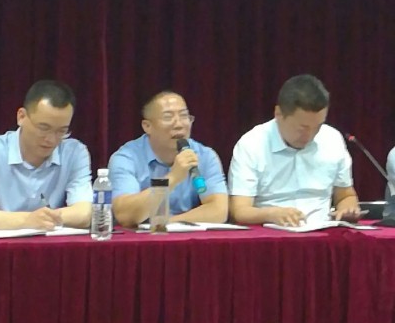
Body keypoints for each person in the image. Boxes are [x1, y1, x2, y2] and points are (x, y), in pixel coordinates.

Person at [229, 74, 361, 226]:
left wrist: (347, 208)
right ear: (278, 114)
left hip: (323, 232)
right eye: (302, 128)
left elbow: (345, 196)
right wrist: (271, 214)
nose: (310, 135)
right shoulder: (252, 144)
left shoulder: (332, 139)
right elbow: (239, 211)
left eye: (318, 127)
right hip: (272, 232)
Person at [109, 91, 228, 227]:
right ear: (147, 126)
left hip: (186, 235)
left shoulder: (205, 156)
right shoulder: (126, 158)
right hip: (140, 238)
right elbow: (125, 215)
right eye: (168, 117)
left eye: (184, 116)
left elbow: (218, 210)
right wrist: (173, 177)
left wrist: (166, 223)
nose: (179, 125)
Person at [0, 80, 93, 230]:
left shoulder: (74, 152)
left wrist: (44, 219)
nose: (51, 140)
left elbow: (84, 213)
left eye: (62, 131)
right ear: (21, 117)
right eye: (43, 128)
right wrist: (28, 220)